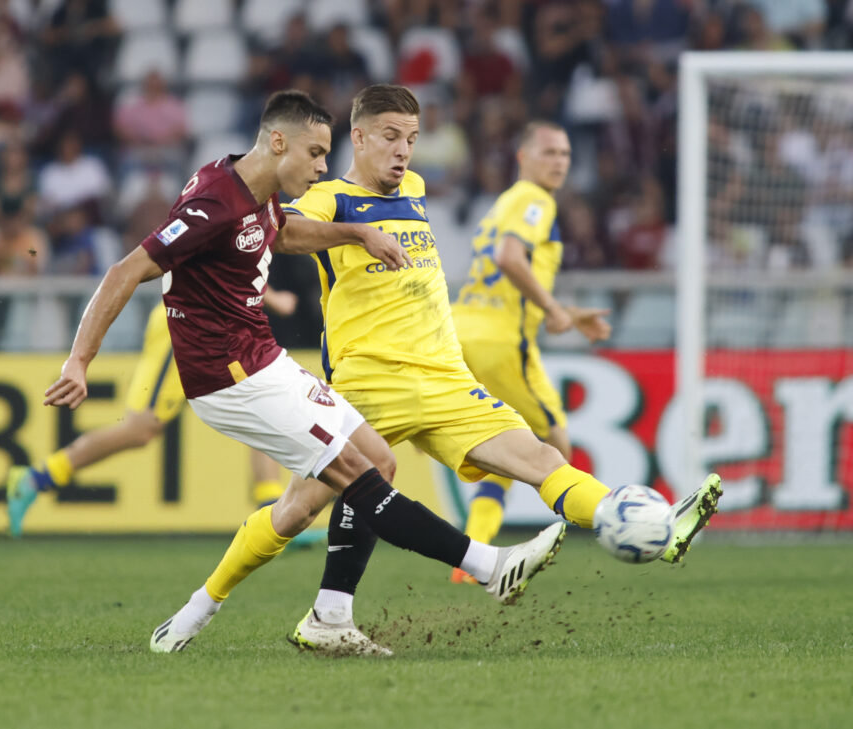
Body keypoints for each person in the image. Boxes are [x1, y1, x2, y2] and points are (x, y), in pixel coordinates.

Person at [42, 90, 568, 655]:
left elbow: (288, 235)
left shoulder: (255, 189)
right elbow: (126, 270)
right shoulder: (217, 203)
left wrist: (359, 232)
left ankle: (300, 617)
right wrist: (80, 358)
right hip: (231, 377)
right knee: (358, 474)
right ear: (276, 141)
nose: (323, 168)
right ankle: (489, 565)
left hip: (264, 358)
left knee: (379, 461)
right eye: (315, 154)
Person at [276, 85, 721, 655]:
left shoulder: (413, 187)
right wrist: (556, 312)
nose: (405, 151)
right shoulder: (527, 202)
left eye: (412, 139)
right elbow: (284, 230)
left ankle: (636, 527)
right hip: (407, 367)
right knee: (302, 507)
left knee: (538, 455)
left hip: (442, 364)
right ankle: (208, 603)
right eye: (392, 137)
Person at [447, 119, 613, 583]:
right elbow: (509, 259)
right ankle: (630, 526)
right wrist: (553, 310)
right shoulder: (535, 200)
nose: (559, 162)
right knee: (556, 446)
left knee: (508, 440)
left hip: (463, 333)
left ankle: (472, 556)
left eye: (565, 154)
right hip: (501, 344)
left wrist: (564, 312)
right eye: (549, 153)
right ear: (523, 157)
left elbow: (501, 274)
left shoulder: (503, 202)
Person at [4, 287, 304, 538]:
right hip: (187, 321)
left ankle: (275, 516)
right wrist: (273, 298)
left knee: (256, 400)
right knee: (140, 429)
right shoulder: (217, 217)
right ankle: (35, 479)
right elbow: (220, 260)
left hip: (223, 323)